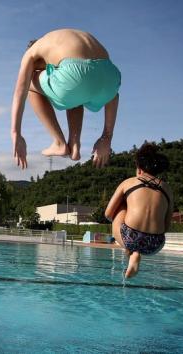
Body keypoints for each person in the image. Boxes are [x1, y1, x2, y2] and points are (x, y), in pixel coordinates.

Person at [10, 28, 121, 169]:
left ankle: (59, 142)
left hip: (75, 76)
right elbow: (113, 96)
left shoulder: (32, 52)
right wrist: (107, 138)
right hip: (111, 76)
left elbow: (20, 90)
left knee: (30, 83)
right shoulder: (63, 38)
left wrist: (16, 133)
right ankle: (74, 144)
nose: (43, 71)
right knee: (74, 94)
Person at [104, 143, 173, 278]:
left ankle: (132, 252)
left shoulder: (129, 182)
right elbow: (166, 226)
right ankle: (134, 253)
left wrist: (126, 207)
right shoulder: (167, 189)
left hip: (129, 237)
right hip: (155, 244)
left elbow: (108, 213)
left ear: (139, 168)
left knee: (121, 205)